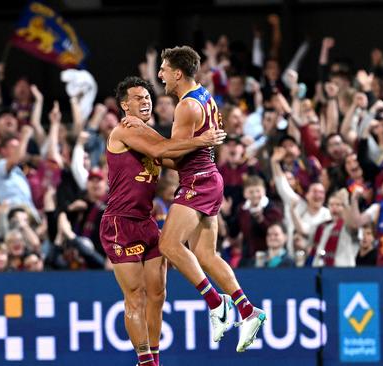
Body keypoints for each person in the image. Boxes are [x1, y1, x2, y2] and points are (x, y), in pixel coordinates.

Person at [99, 76, 225, 366]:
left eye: (147, 97)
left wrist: (202, 151)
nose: (145, 101)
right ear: (124, 105)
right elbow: (159, 152)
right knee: (136, 297)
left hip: (146, 221)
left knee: (158, 293)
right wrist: (201, 139)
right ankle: (145, 361)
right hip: (120, 224)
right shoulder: (124, 130)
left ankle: (155, 357)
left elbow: (171, 156)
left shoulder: (149, 133)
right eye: (138, 98)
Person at [156, 45, 266, 353]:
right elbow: (187, 149)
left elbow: (173, 155)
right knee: (206, 255)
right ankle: (248, 311)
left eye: (164, 68)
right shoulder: (204, 95)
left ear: (178, 73)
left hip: (198, 181)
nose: (160, 74)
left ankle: (217, 304)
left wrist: (145, 153)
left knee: (167, 245)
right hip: (209, 177)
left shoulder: (186, 107)